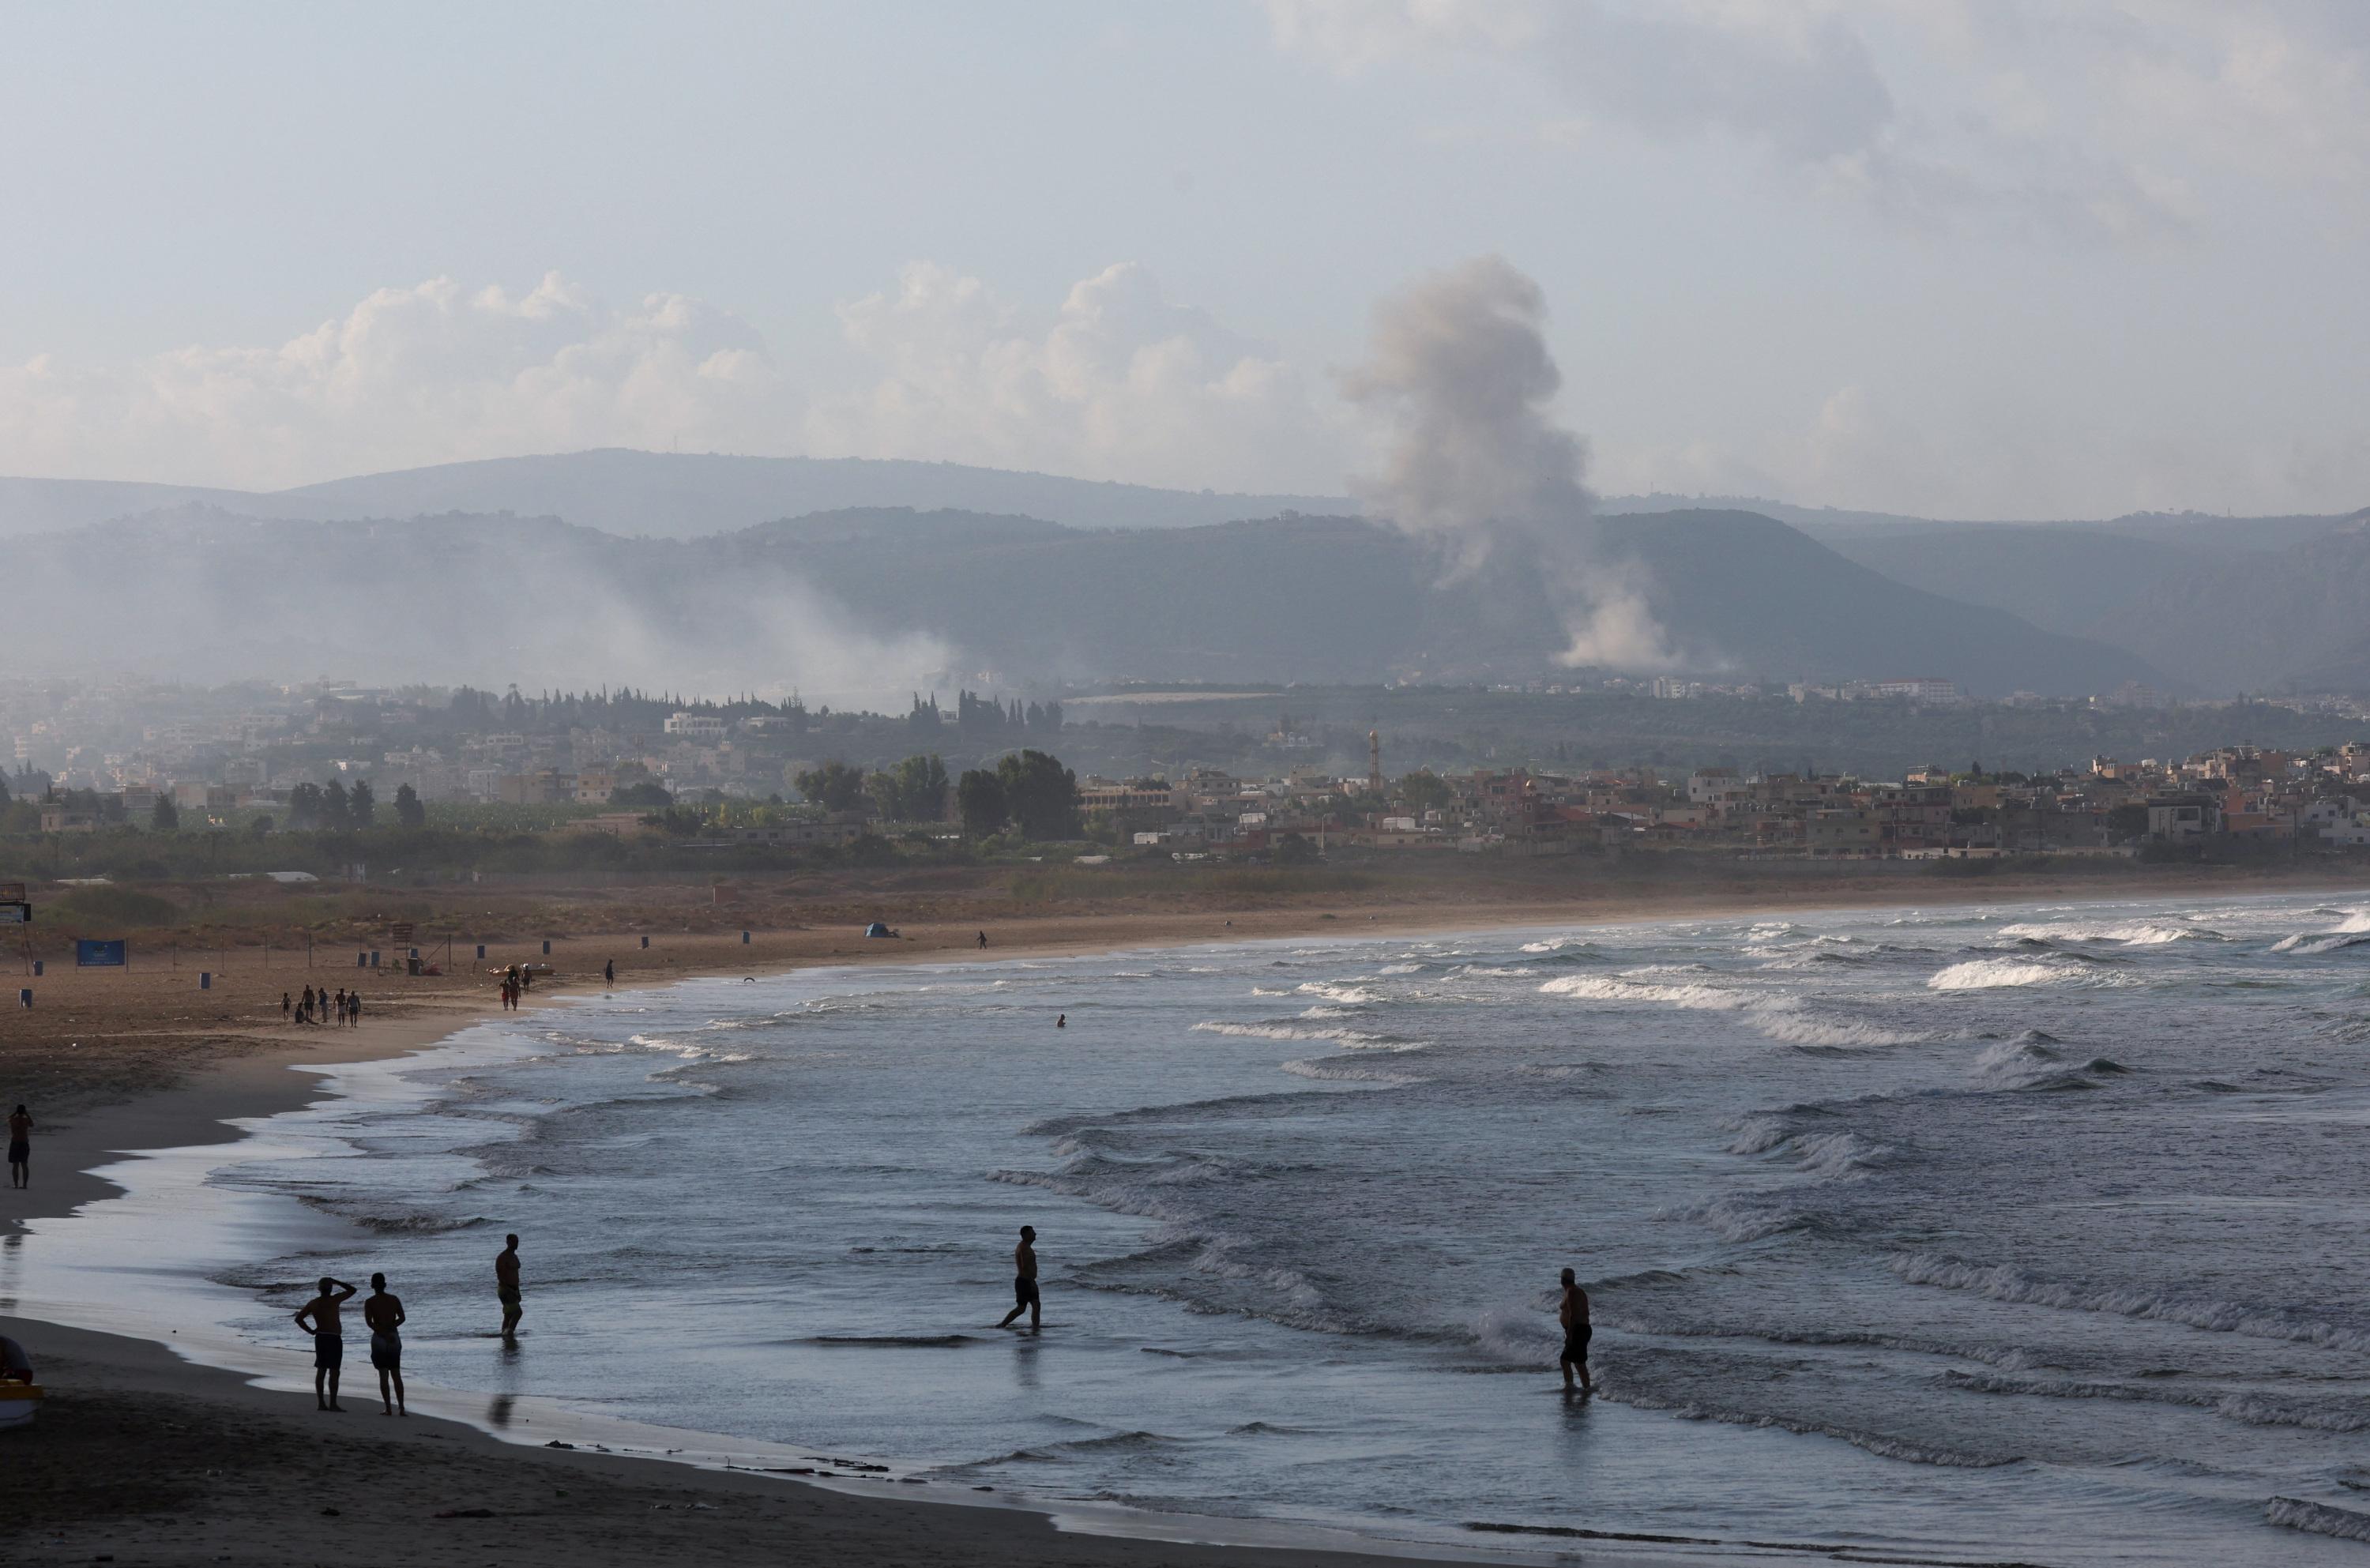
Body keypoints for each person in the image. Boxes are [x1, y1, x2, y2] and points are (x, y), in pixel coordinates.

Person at [295, 1275, 359, 1411]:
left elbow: (299, 1319)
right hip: (333, 1338)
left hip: (322, 1337)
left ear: (319, 1289)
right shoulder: (335, 1299)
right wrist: (337, 1281)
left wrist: (311, 1331)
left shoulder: (314, 1303)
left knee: (322, 1370)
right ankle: (332, 1403)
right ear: (330, 1288)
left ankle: (322, 1403)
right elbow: (353, 1290)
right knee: (334, 1371)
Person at [363, 1272, 407, 1416]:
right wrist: (390, 1327)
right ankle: (401, 1407)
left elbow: (370, 1322)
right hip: (394, 1336)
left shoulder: (370, 1302)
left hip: (379, 1338)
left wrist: (382, 1331)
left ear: (372, 1286)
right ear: (385, 1285)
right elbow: (402, 1318)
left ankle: (388, 1408)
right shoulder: (394, 1299)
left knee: (383, 1375)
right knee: (396, 1374)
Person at [997, 1225, 1040, 1330]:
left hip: (1024, 1280)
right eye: (1032, 1232)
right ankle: (1035, 1328)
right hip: (1025, 1281)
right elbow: (1024, 1266)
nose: (1035, 1234)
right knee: (1035, 1305)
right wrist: (1032, 1282)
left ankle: (1002, 1325)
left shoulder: (1025, 1246)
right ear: (1025, 1235)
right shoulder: (1024, 1248)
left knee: (1022, 1308)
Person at [1559, 1267, 1593, 1394]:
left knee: (1566, 1361)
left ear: (1562, 1280)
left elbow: (1574, 1314)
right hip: (1581, 1329)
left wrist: (1570, 1334)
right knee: (1578, 1363)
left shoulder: (1572, 1292)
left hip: (1578, 1330)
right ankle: (1585, 1388)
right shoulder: (1576, 1291)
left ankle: (1572, 1387)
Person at [496, 1233, 524, 1341]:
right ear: (508, 1242)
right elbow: (501, 1277)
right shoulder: (503, 1257)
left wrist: (517, 1291)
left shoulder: (514, 1256)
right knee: (518, 1312)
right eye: (513, 1241)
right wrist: (510, 1290)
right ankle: (509, 1333)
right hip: (505, 1289)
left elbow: (516, 1275)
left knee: (508, 1315)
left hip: (513, 1289)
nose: (516, 1244)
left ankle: (505, 1337)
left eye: (517, 1241)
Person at [7, 1104, 31, 1189]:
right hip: (24, 1143)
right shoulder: (26, 1120)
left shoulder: (14, 1120)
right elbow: (32, 1124)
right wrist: (27, 1114)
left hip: (15, 1142)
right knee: (24, 1165)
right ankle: (24, 1185)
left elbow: (8, 1119)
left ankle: (16, 1184)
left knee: (15, 1165)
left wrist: (15, 1113)